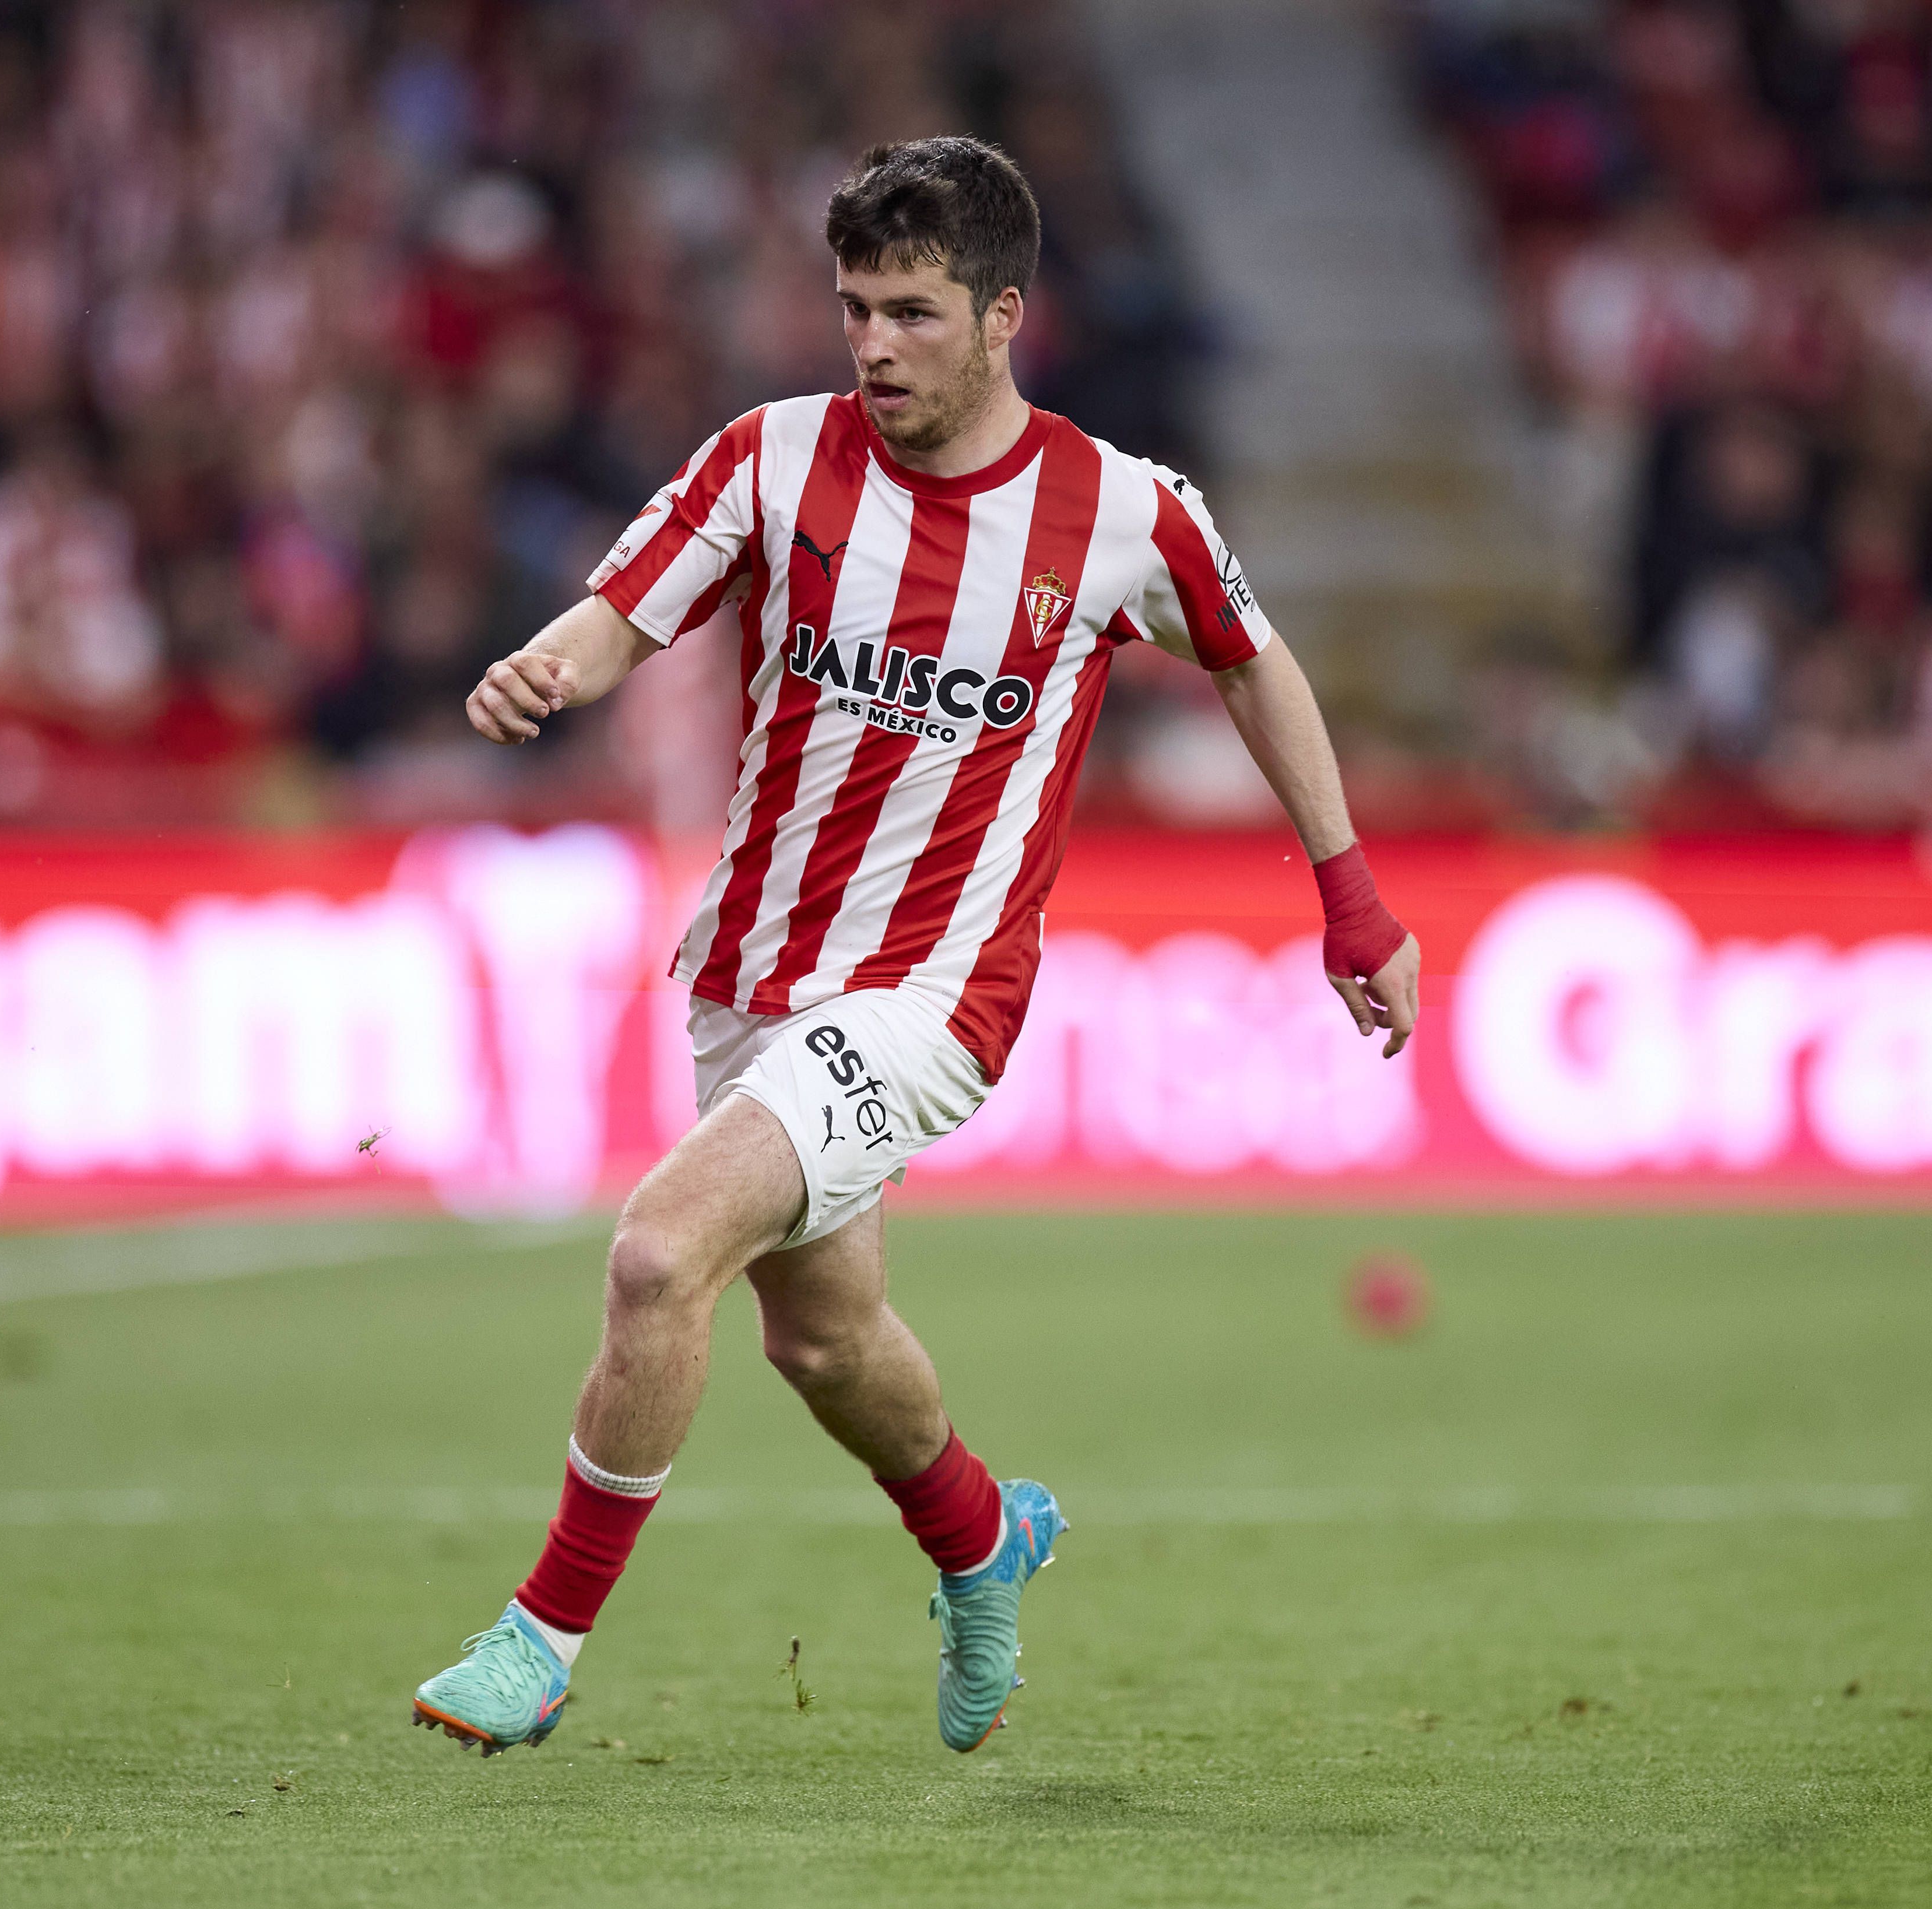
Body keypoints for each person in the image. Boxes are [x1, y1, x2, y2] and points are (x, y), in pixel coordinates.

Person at [409, 138, 1422, 1758]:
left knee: (662, 1253)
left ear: (1007, 314)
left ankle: (541, 1638)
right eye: (854, 308)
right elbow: (622, 610)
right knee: (821, 1337)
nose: (873, 345)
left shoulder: (1118, 512)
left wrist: (1348, 893)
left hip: (936, 1001)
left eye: (914, 313)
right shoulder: (771, 457)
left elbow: (1255, 663)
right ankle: (980, 1536)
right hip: (752, 976)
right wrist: (547, 665)